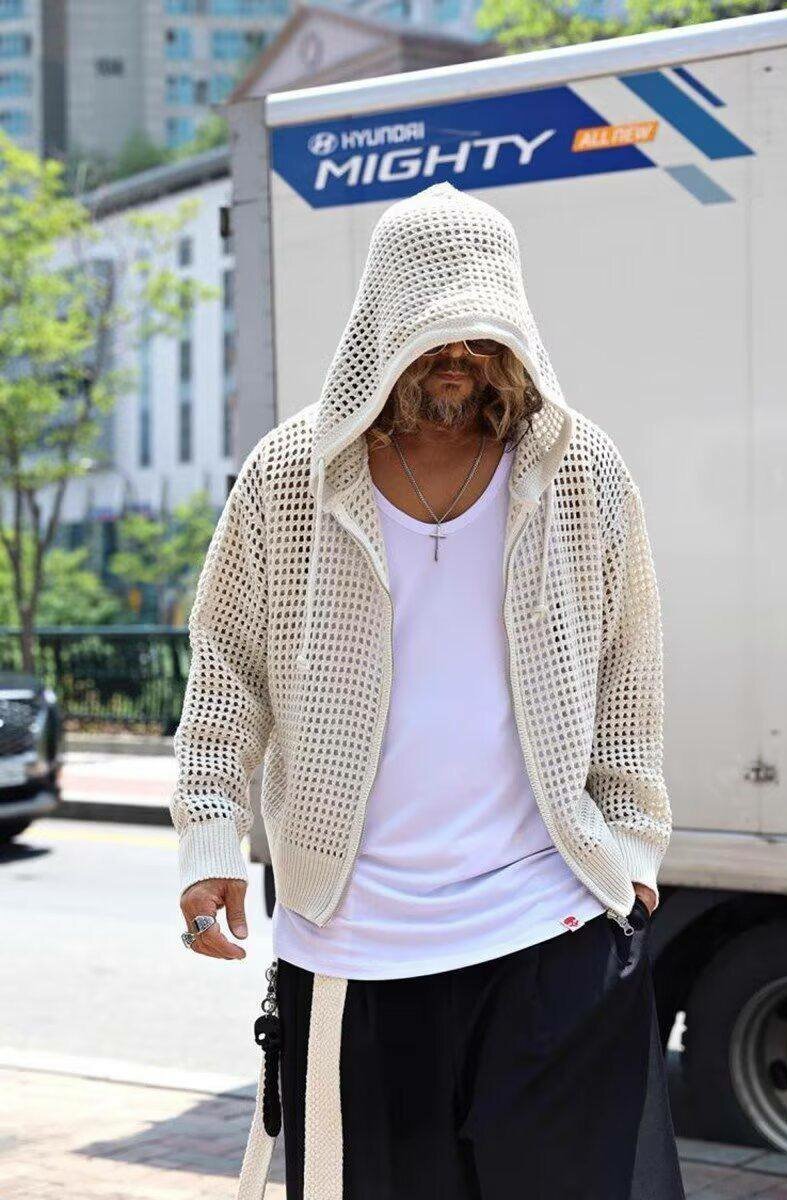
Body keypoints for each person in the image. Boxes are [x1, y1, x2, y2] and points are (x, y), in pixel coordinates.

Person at [170, 180, 685, 1200]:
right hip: (353, 945)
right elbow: (225, 672)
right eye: (433, 333)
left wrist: (629, 851)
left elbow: (630, 667)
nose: (458, 356)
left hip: (550, 929)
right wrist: (210, 840)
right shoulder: (290, 475)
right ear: (382, 323)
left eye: (482, 335)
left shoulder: (580, 470)